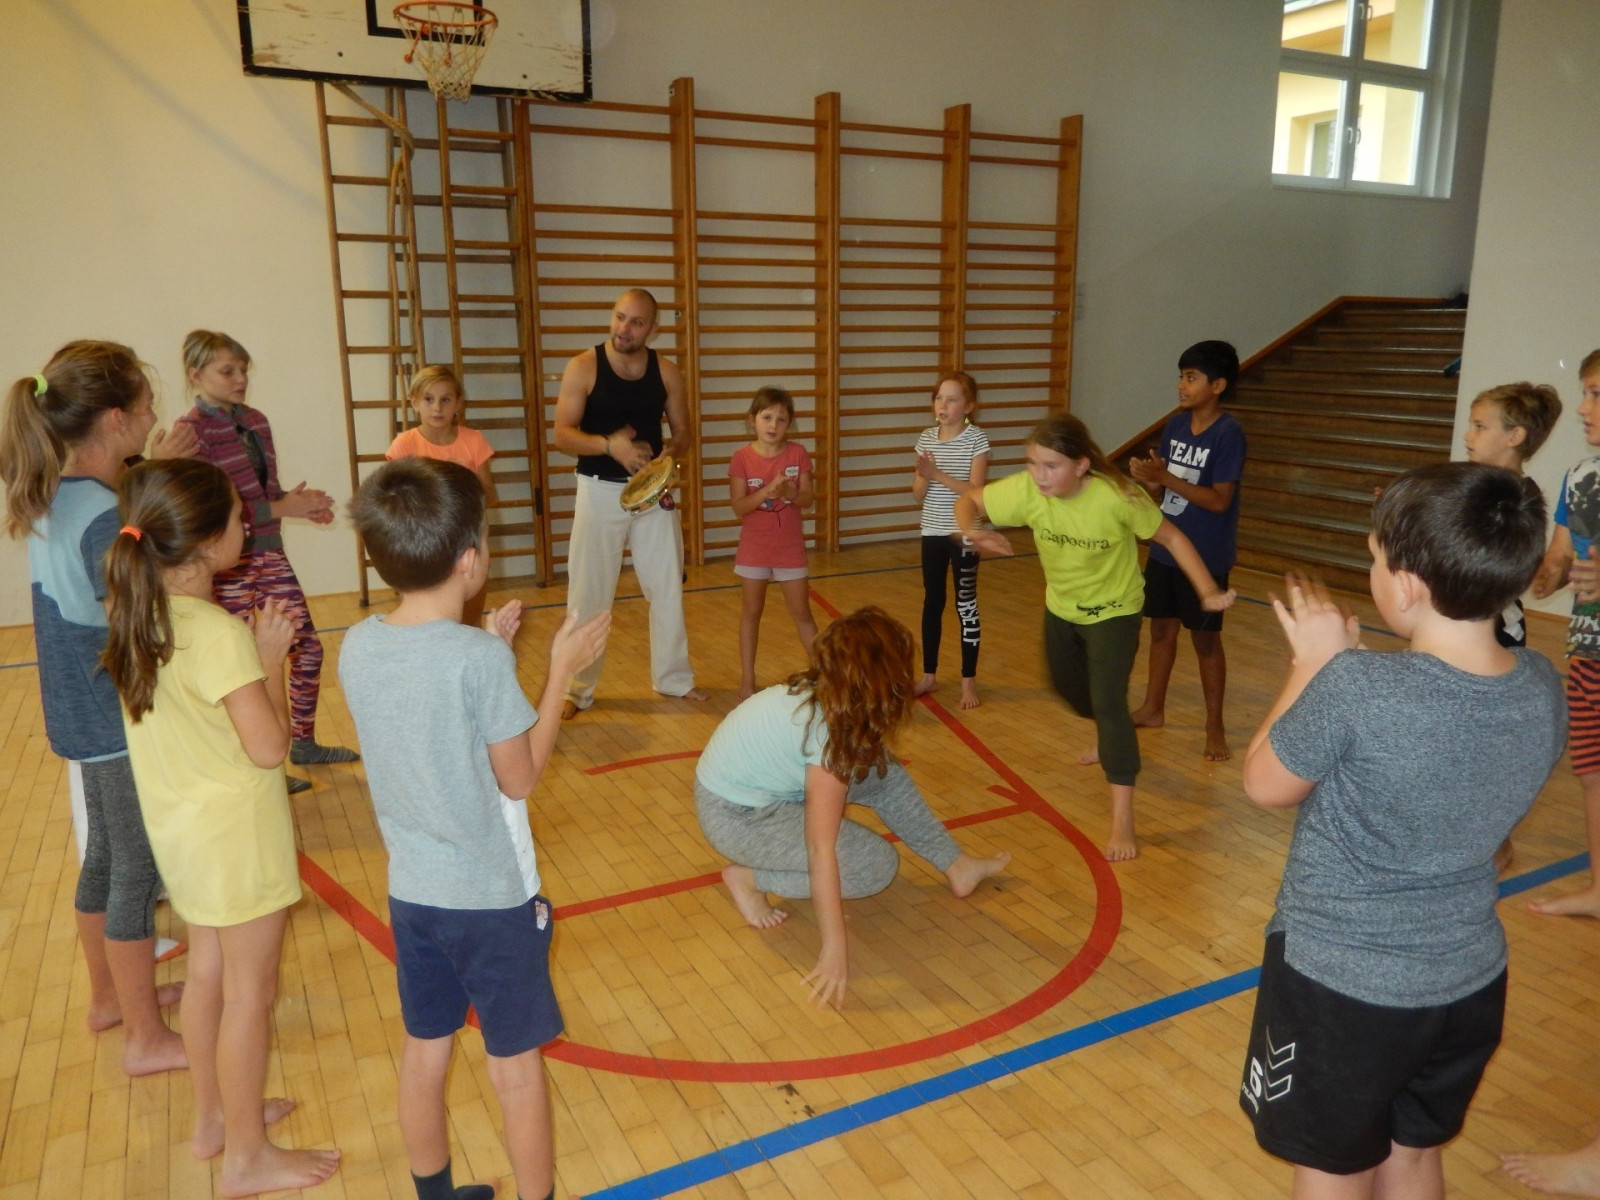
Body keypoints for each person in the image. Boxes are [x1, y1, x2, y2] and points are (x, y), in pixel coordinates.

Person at [1238, 462, 1564, 1200]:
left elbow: (1263, 784)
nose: (1373, 572)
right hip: (1468, 982)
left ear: (1409, 585)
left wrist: (1313, 665)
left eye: (1376, 559)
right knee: (1413, 1154)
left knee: (1333, 1167)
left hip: (1343, 990)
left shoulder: (1357, 687)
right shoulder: (1540, 683)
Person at [341, 457, 609, 1200]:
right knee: (515, 1070)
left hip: (413, 895)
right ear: (468, 560)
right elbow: (518, 777)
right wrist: (556, 674)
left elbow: (427, 711)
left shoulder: (358, 643)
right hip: (491, 902)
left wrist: (492, 650)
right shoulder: (477, 660)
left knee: (425, 1052)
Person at [102, 457, 341, 1195]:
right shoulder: (217, 634)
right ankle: (246, 1157)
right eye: (238, 517)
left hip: (185, 839)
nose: (248, 525)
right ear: (206, 543)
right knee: (249, 995)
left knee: (208, 977)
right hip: (237, 842)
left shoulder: (138, 617)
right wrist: (269, 659)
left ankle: (217, 1121)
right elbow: (268, 748)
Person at [0, 342, 193, 1076]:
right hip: (112, 719)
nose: (151, 418)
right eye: (145, 407)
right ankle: (144, 1036)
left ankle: (110, 999)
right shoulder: (103, 518)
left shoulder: (59, 496)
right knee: (135, 870)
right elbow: (128, 623)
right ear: (114, 419)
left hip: (78, 711)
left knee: (108, 856)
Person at [695, 606, 1009, 1010]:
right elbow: (820, 848)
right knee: (874, 867)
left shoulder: (833, 698)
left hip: (758, 795)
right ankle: (750, 880)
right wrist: (834, 948)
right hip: (737, 817)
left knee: (883, 772)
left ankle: (957, 865)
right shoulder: (827, 735)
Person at [953, 412, 1234, 862]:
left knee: (1109, 704)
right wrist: (973, 532)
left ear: (1081, 465)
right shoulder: (1028, 491)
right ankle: (1106, 727)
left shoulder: (1118, 497)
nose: (1039, 475)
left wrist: (1208, 591)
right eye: (1032, 463)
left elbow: (1174, 539)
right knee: (1069, 691)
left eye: (1051, 466)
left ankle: (1123, 818)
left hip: (1115, 612)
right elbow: (968, 500)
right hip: (1061, 609)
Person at [178, 330, 354, 794]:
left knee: (306, 648)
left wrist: (300, 505)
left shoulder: (256, 420)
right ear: (195, 375)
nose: (240, 378)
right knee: (242, 663)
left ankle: (303, 743)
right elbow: (213, 509)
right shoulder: (190, 432)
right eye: (227, 371)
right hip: (226, 562)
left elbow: (264, 493)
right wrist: (281, 508)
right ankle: (257, 759)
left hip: (268, 551)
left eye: (243, 370)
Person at [551, 288, 706, 718]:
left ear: (653, 328)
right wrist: (609, 445)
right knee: (588, 593)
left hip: (652, 494)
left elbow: (684, 433)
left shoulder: (667, 372)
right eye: (620, 317)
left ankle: (674, 679)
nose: (624, 328)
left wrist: (670, 454)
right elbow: (562, 434)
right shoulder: (583, 367)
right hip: (598, 489)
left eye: (636, 322)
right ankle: (575, 690)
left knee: (667, 587)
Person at [1461, 381, 1562, 874]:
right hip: (1459, 624)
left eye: (1480, 426)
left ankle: (1495, 839)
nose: (1469, 435)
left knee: (1486, 740)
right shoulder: (1467, 484)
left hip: (1496, 630)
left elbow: (1513, 567)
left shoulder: (1521, 496)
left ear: (1515, 436)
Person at [1127, 340, 1245, 760]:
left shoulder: (1228, 434)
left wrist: (1166, 479)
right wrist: (1150, 480)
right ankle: (1153, 708)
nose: (1181, 384)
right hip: (1166, 550)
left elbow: (1219, 500)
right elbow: (1164, 490)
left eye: (1191, 377)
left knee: (1206, 642)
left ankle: (1215, 726)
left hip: (1206, 556)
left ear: (1218, 385)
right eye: (1180, 376)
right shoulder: (1175, 426)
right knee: (1161, 631)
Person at [1527, 350, 1600, 917]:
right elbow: (1558, 557)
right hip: (1590, 651)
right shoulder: (1581, 476)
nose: (1582, 407)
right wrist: (1536, 573)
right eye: (1585, 392)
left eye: (1596, 395)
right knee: (1594, 770)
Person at [385, 364, 497, 628]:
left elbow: (490, 496)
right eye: (428, 399)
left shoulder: (474, 440)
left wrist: (465, 482)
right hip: (422, 546)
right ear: (414, 401)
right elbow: (395, 502)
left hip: (467, 546)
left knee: (469, 622)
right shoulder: (404, 445)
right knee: (423, 622)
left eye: (445, 400)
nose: (437, 408)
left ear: (458, 403)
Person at [730, 385, 818, 699]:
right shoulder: (742, 458)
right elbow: (739, 507)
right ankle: (747, 679)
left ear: (789, 423)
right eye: (767, 417)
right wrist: (766, 492)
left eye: (781, 419)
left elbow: (807, 500)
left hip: (790, 550)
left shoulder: (798, 454)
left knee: (802, 614)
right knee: (751, 614)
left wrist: (789, 492)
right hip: (754, 549)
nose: (773, 425)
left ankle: (823, 675)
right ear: (752, 420)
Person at [911, 371, 989, 710]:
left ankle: (968, 680)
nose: (943, 404)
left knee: (965, 604)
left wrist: (937, 474)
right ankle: (929, 675)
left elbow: (976, 491)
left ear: (968, 406)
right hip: (932, 532)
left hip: (964, 534)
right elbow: (917, 494)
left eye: (952, 399)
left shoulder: (976, 439)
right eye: (939, 397)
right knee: (933, 602)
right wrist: (924, 476)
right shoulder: (926, 438)